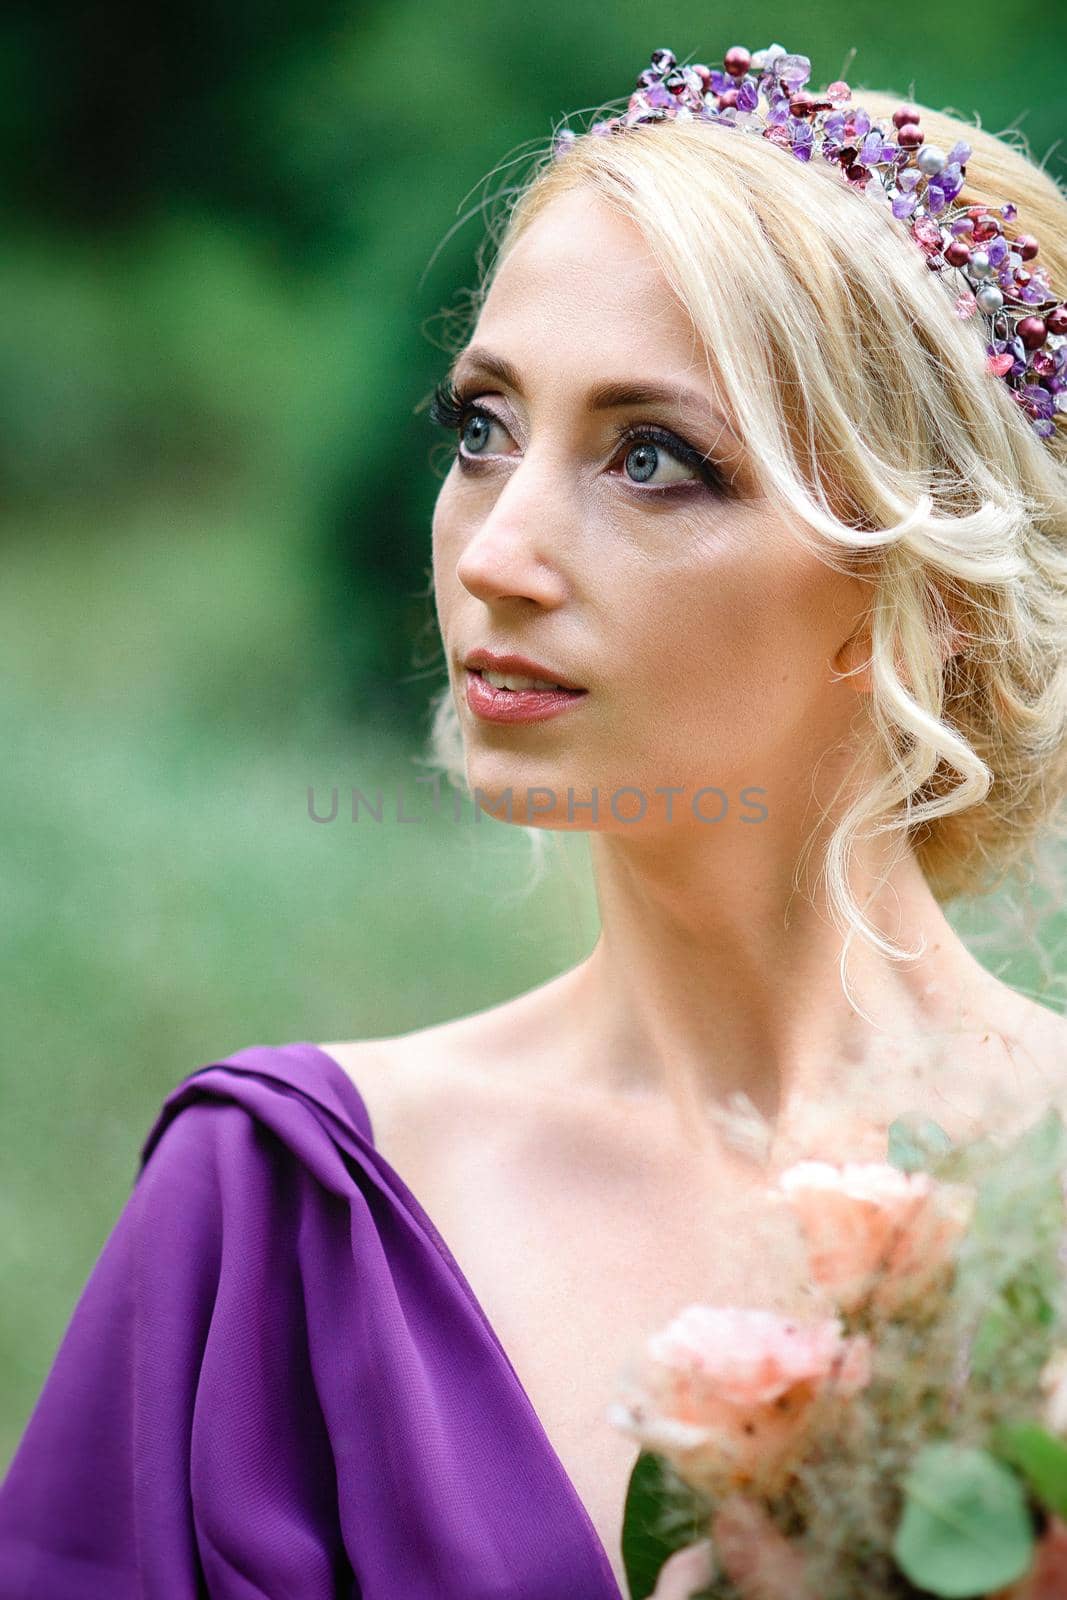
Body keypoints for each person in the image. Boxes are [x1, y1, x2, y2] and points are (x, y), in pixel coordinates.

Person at [3, 38, 1067, 1600]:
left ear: (923, 591)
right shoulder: (281, 1214)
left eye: (654, 460)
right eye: (484, 427)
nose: (495, 552)